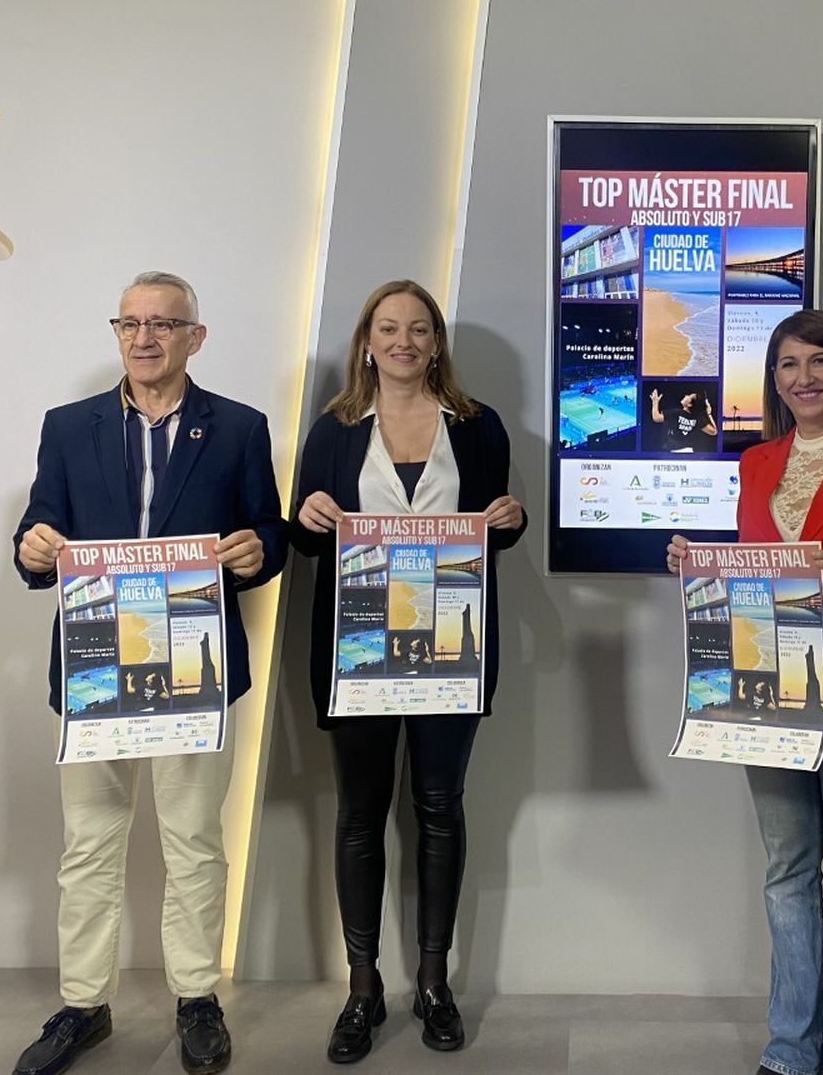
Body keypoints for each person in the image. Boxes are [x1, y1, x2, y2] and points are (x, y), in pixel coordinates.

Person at [11, 271, 286, 1075]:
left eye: (163, 324)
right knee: (89, 845)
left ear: (194, 338)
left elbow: (265, 530)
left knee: (194, 842)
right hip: (99, 669)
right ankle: (82, 1005)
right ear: (116, 333)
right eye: (130, 323)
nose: (144, 338)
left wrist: (257, 550)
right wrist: (31, 546)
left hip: (194, 673)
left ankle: (197, 998)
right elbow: (41, 527)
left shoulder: (237, 428)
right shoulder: (69, 426)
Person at [667, 309, 823, 1075]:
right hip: (767, 697)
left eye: (818, 362)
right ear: (772, 380)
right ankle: (790, 1050)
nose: (802, 378)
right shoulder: (755, 462)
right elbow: (756, 572)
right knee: (786, 874)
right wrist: (699, 566)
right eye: (787, 366)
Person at [289, 279, 526, 1063]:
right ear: (366, 340)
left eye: (418, 329)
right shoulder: (333, 427)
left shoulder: (479, 426)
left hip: (450, 655)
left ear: (435, 344)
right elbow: (309, 536)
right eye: (388, 328)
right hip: (358, 654)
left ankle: (433, 982)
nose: (403, 341)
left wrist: (510, 519)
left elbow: (494, 525)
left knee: (439, 807)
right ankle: (363, 989)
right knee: (359, 811)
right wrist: (310, 519)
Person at [650, 386, 717, 451]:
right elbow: (714, 432)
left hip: (674, 450)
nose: (686, 395)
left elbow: (656, 418)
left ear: (689, 404)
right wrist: (709, 413)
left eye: (689, 396)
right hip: (688, 451)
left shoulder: (676, 413)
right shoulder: (698, 419)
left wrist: (655, 402)